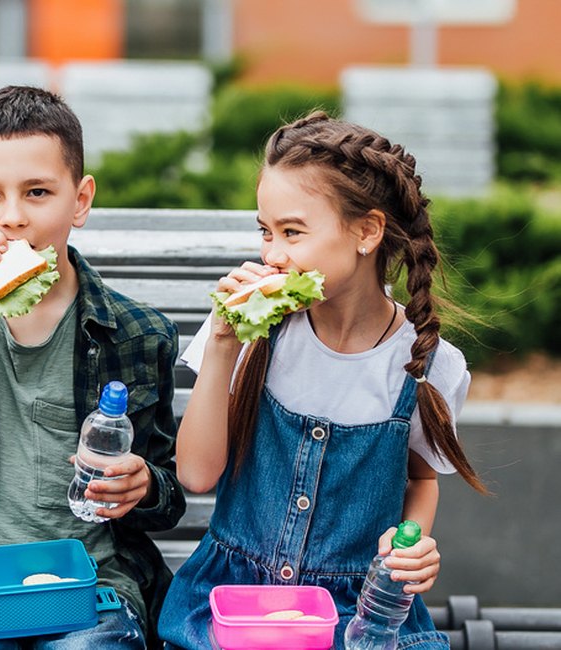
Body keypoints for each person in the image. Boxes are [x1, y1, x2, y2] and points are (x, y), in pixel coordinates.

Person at [157, 111, 490, 649]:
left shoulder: (430, 365)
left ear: (367, 231)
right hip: (233, 603)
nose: (271, 254)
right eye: (265, 232)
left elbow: (421, 481)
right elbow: (196, 475)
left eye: (293, 232)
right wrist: (221, 344)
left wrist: (411, 546)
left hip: (354, 612)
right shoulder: (250, 332)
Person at [0, 85, 187, 650]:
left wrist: (144, 485)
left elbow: (168, 495)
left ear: (81, 199)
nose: (13, 217)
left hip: (94, 587)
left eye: (38, 192)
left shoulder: (139, 333)